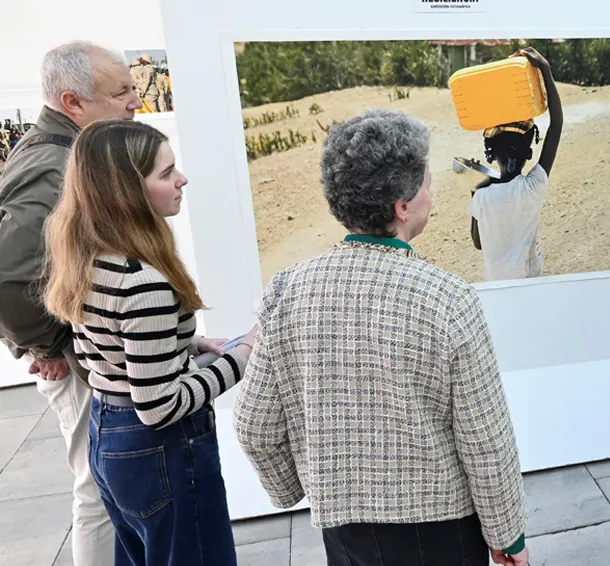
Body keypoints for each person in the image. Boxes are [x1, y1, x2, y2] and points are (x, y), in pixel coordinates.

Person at [232, 108, 530, 566]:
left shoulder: (288, 290)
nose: (433, 193)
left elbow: (254, 424)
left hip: (343, 529)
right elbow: (486, 441)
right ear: (403, 206)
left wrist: (293, 488)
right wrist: (507, 538)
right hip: (441, 529)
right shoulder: (448, 299)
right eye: (427, 184)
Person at [41, 119, 258, 566]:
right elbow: (160, 406)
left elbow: (108, 349)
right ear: (128, 190)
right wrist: (243, 355)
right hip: (161, 450)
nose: (182, 179)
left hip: (110, 437)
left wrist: (186, 346)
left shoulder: (91, 258)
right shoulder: (144, 282)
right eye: (166, 173)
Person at [0, 41, 143, 566]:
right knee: (99, 491)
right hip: (81, 357)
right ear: (73, 102)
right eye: (121, 91)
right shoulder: (54, 163)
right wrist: (47, 341)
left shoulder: (65, 152)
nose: (134, 101)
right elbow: (9, 273)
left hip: (87, 347)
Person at [467, 47, 563, 281]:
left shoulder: (481, 197)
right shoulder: (533, 187)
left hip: (497, 287)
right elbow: (556, 125)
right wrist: (545, 70)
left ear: (490, 154)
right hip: (531, 281)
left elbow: (478, 243)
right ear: (529, 153)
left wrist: (480, 184)